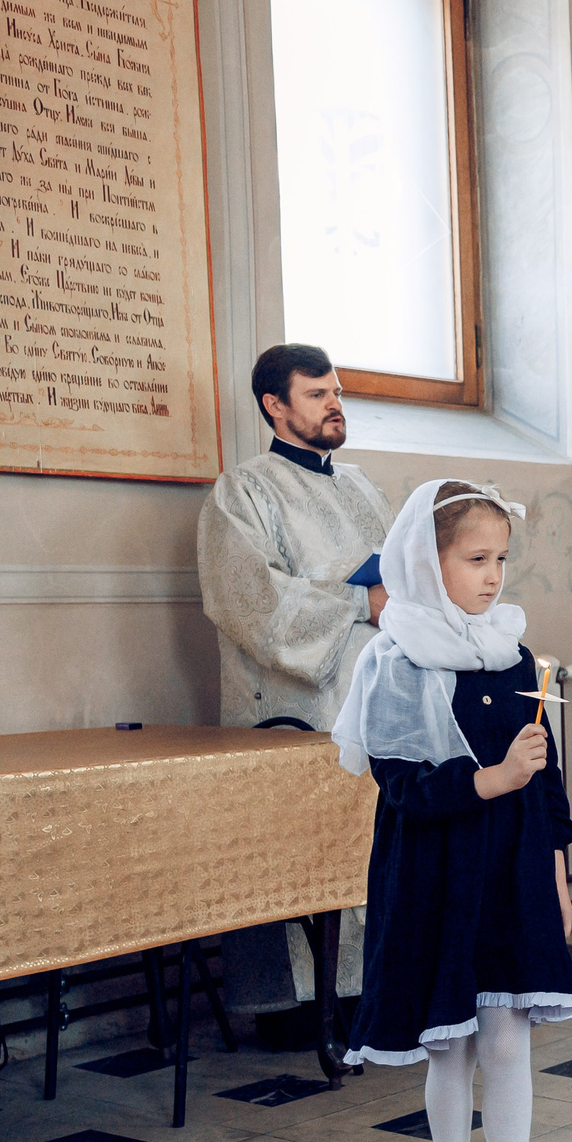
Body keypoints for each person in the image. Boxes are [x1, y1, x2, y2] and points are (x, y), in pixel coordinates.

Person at [332, 480, 572, 1142]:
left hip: (512, 874)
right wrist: (491, 781)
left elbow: (547, 777)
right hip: (438, 874)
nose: (493, 575)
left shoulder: (513, 653)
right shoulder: (394, 661)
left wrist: (558, 871)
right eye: (475, 558)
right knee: (453, 1046)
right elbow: (401, 789)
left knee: (509, 1041)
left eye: (501, 558)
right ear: (425, 560)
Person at [199, 343, 394, 1029]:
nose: (334, 404)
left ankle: (374, 992)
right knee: (297, 856)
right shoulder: (242, 491)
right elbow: (249, 599)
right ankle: (298, 1012)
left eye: (337, 392)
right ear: (274, 405)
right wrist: (357, 602)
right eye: (317, 394)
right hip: (295, 712)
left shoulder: (362, 488)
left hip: (373, 709)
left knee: (375, 847)